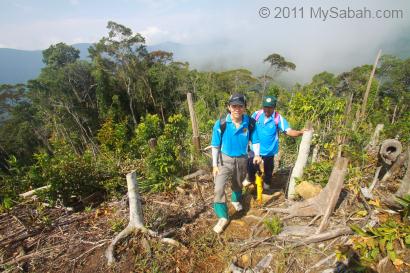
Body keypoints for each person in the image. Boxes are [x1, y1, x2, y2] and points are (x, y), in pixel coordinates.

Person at [210, 93, 262, 234]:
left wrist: (257, 154)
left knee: (238, 182)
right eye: (234, 106)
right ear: (229, 107)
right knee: (218, 188)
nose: (237, 109)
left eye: (240, 106)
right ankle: (223, 216)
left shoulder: (250, 122)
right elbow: (215, 145)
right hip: (224, 159)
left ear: (244, 108)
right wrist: (214, 165)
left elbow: (255, 140)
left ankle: (235, 200)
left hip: (242, 158)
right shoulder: (221, 123)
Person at [244, 95, 304, 192]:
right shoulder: (256, 115)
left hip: (269, 153)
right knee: (251, 167)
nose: (267, 109)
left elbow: (288, 131)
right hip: (255, 151)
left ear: (274, 107)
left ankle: (266, 186)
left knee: (268, 171)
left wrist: (301, 132)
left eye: (270, 107)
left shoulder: (278, 118)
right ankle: (250, 179)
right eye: (265, 107)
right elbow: (247, 127)